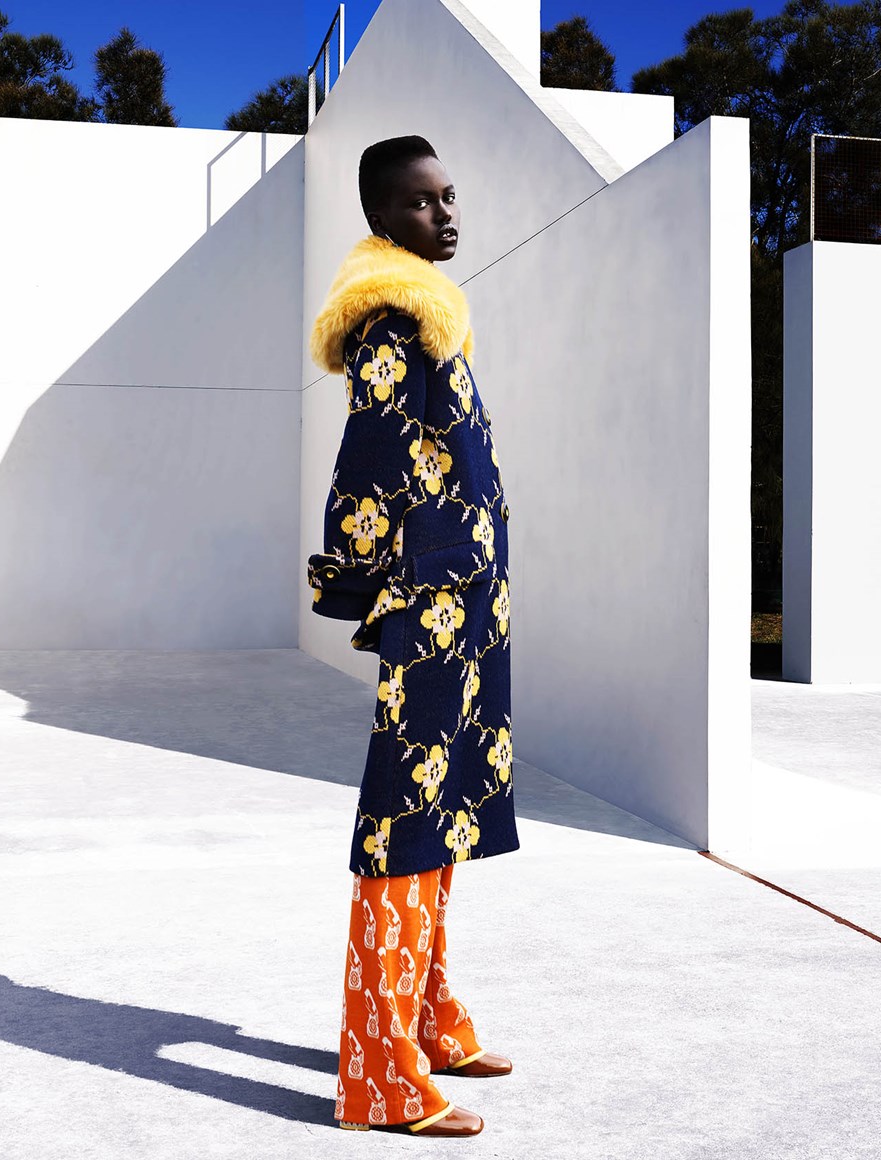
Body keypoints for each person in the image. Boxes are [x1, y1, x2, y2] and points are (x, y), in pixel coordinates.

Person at [307, 135, 519, 1137]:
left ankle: (426, 1021)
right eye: (423, 202)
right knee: (403, 819)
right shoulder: (390, 319)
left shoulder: (433, 315)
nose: (446, 213)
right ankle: (378, 1074)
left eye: (449, 196)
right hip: (428, 606)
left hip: (466, 606)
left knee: (444, 812)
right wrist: (357, 581)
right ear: (381, 218)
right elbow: (370, 457)